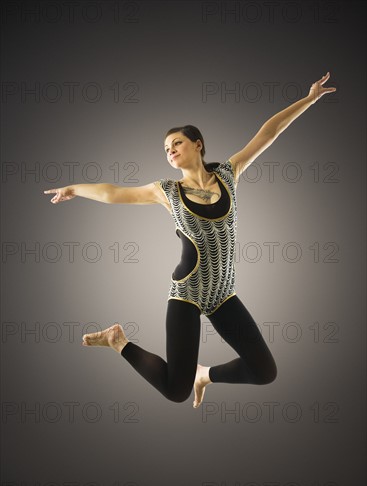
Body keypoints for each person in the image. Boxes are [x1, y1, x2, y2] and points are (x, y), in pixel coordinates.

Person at [44, 72, 336, 408]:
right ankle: (117, 341)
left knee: (264, 370)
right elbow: (113, 192)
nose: (170, 151)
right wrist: (73, 189)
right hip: (187, 294)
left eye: (177, 143)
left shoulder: (229, 173)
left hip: (224, 293)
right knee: (175, 391)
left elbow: (268, 133)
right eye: (166, 149)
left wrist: (308, 99)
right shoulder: (167, 191)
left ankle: (204, 375)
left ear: (198, 144)